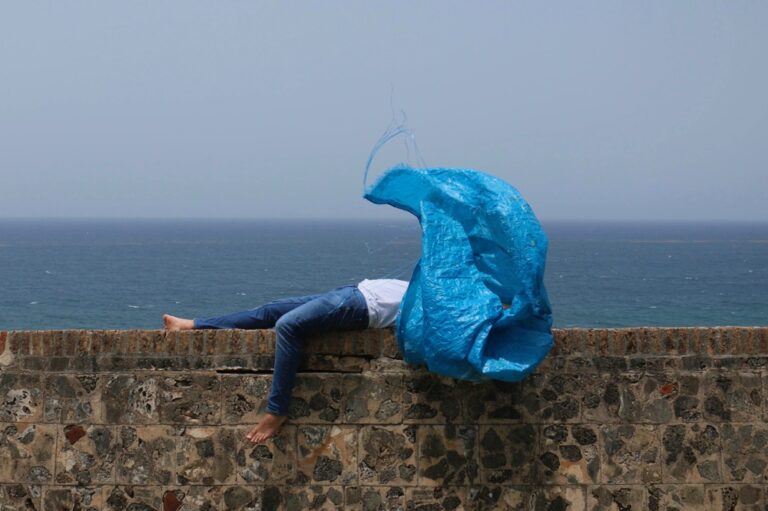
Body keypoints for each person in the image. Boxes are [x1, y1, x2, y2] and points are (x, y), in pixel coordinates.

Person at [162, 278, 409, 444]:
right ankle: (190, 325)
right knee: (270, 311)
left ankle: (277, 411)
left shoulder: (437, 302)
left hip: (361, 306)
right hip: (355, 291)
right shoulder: (430, 281)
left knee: (288, 326)